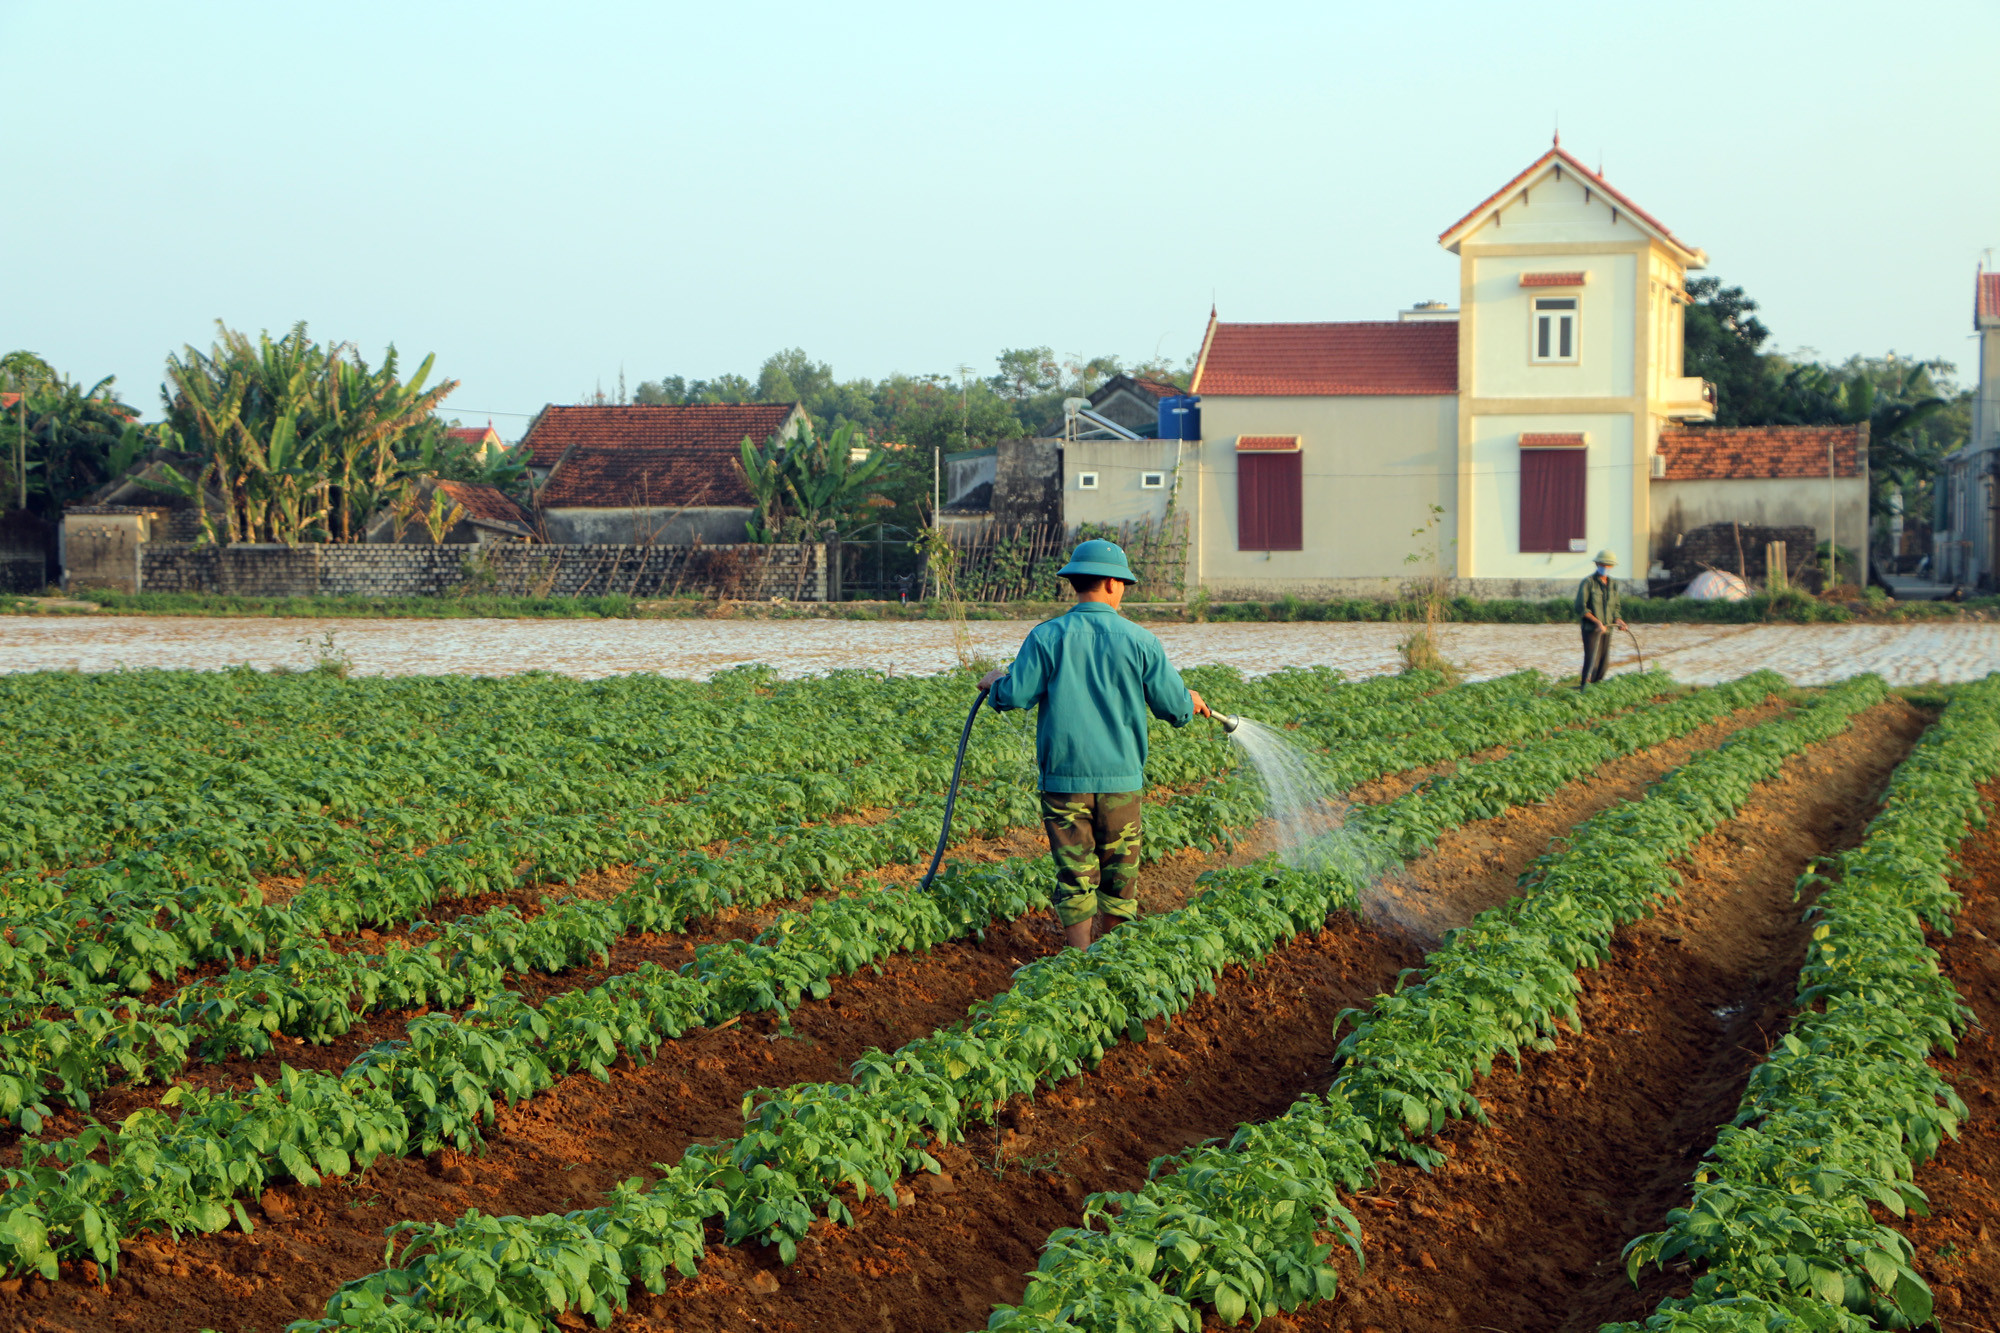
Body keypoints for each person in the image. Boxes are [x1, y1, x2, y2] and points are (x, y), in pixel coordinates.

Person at [978, 539, 1211, 949]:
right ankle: (1113, 959)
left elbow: (1015, 695)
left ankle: (1079, 959)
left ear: (1075, 582)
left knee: (1075, 874)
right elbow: (1173, 708)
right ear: (1109, 583)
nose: (1122, 591)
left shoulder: (1046, 637)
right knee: (1120, 877)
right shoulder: (1141, 641)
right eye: (1122, 583)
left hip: (1064, 780)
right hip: (1121, 780)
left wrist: (996, 683)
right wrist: (1189, 701)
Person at [1575, 549, 1627, 689]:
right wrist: (1597, 622)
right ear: (1597, 564)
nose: (1606, 568)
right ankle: (1585, 688)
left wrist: (1618, 620)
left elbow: (1615, 606)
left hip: (1607, 629)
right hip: (1592, 630)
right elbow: (1581, 607)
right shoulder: (1588, 583)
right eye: (1603, 565)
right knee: (1593, 661)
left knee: (1604, 664)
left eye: (1609, 565)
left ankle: (1596, 689)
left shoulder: (1613, 584)